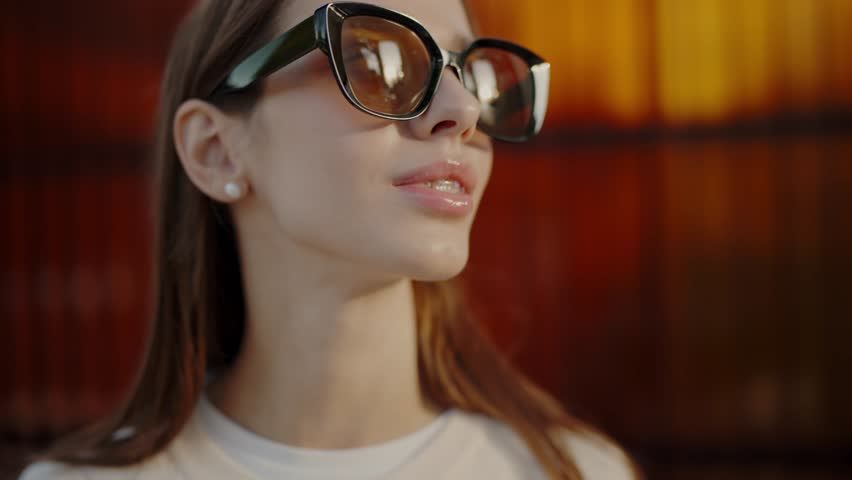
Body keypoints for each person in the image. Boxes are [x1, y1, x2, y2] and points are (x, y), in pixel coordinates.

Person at [20, 0, 639, 478]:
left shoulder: (574, 471)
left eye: (470, 75)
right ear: (216, 152)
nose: (464, 111)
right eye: (377, 60)